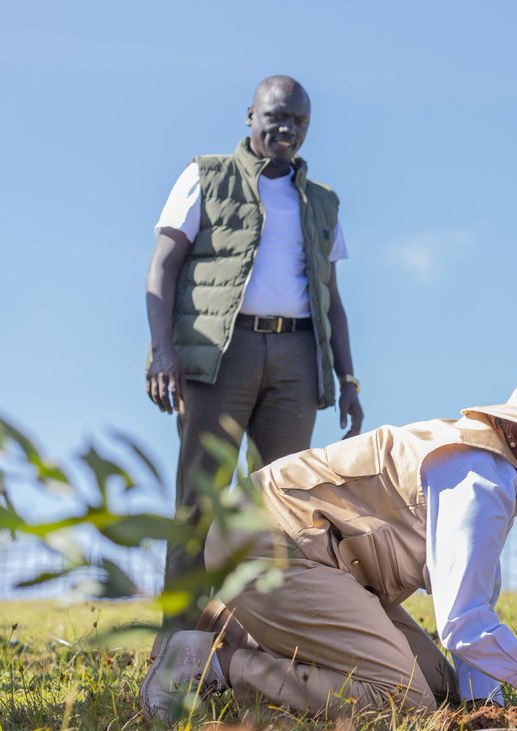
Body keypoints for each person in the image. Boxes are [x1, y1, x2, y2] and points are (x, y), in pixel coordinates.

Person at [139, 370, 517, 721]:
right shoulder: (482, 480)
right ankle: (214, 664)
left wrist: (481, 707)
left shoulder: (484, 465)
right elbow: (464, 625)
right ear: (514, 431)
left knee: (436, 683)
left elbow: (473, 603)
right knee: (404, 700)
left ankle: (238, 634)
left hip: (290, 551)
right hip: (272, 544)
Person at [144, 75, 363, 624]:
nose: (286, 128)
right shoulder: (205, 176)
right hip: (222, 354)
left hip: (295, 360)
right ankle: (180, 642)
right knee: (202, 500)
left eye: (298, 121)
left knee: (282, 504)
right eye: (275, 117)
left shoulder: (323, 203)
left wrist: (349, 379)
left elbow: (332, 301)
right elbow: (162, 269)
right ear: (250, 116)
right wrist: (163, 352)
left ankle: (256, 637)